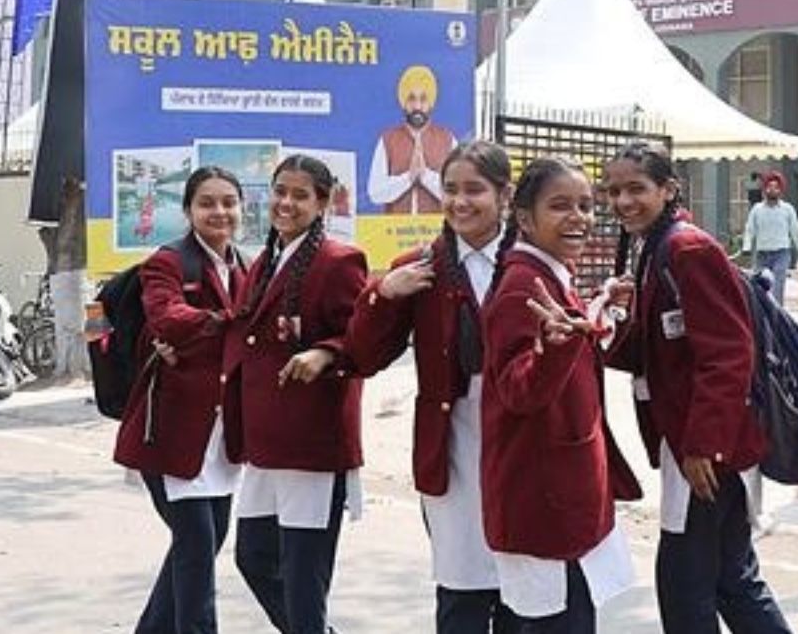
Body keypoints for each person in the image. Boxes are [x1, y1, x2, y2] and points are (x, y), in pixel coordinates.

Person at [602, 141, 793, 634]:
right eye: (614, 191)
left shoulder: (686, 249)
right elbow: (656, 349)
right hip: (697, 442)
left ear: (668, 190)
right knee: (732, 578)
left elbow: (728, 353)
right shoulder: (652, 246)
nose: (623, 201)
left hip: (706, 448)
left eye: (636, 189)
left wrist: (703, 444)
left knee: (685, 586)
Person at [342, 141, 523, 632]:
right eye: (450, 189)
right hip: (454, 444)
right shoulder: (422, 264)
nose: (460, 202)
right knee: (461, 588)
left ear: (504, 195)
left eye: (475, 190)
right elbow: (363, 357)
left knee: (523, 590)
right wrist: (382, 294)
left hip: (523, 446)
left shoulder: (530, 261)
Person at [480, 157, 641, 632]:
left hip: (563, 491)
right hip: (543, 495)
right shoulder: (521, 287)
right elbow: (518, 390)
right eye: (560, 206)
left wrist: (598, 308)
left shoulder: (551, 276)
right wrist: (556, 349)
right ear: (526, 219)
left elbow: (571, 341)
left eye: (586, 205)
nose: (579, 217)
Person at [224, 155, 369, 634]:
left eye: (300, 195)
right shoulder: (266, 258)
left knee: (305, 586)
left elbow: (362, 337)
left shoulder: (338, 260)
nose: (286, 203)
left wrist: (325, 353)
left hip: (312, 446)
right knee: (254, 557)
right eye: (280, 192)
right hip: (267, 443)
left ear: (322, 202)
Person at [114, 166, 248, 634]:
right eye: (207, 202)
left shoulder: (247, 266)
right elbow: (168, 318)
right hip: (171, 434)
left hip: (222, 437)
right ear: (188, 210)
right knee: (195, 551)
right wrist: (230, 323)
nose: (220, 212)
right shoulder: (168, 263)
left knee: (202, 547)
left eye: (228, 202)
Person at [368, 65, 458, 214]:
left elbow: (456, 193)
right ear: (403, 102)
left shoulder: (448, 140)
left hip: (437, 232)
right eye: (411, 99)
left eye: (423, 99)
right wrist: (408, 178)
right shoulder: (387, 140)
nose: (417, 106)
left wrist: (425, 176)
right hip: (394, 232)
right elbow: (375, 193)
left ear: (431, 103)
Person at [741, 171, 798, 306]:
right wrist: (746, 247)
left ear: (780, 190)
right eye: (769, 187)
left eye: (776, 187)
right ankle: (762, 316)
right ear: (765, 189)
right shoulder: (757, 209)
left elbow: (796, 232)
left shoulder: (787, 209)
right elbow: (750, 229)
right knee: (759, 287)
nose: (772, 190)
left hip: (781, 253)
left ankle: (777, 318)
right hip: (762, 254)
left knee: (777, 287)